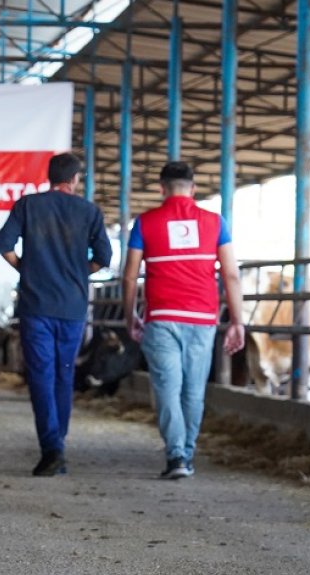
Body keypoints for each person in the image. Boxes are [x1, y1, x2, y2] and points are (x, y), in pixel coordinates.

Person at [122, 162, 245, 479]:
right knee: (193, 390)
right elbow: (231, 274)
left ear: (162, 189)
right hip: (202, 318)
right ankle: (186, 455)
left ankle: (176, 456)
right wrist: (237, 321)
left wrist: (130, 314)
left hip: (161, 317)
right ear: (193, 189)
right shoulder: (215, 223)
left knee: (166, 388)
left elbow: (129, 276)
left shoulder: (145, 223)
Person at [0, 153, 112, 477]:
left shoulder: (28, 205)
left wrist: (27, 269)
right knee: (64, 373)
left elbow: (3, 244)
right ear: (75, 179)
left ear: (49, 177)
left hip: (37, 306)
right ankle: (58, 442)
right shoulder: (89, 211)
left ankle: (52, 448)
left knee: (41, 376)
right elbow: (104, 257)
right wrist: (79, 273)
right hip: (72, 308)